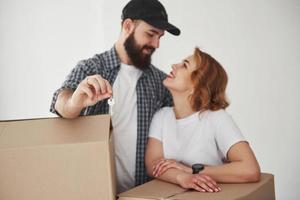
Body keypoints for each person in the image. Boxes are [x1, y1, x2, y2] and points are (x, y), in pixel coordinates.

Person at [50, 0, 181, 193]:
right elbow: (60, 103)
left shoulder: (161, 83)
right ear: (128, 26)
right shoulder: (91, 68)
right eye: (151, 34)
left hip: (144, 193)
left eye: (160, 37)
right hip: (92, 190)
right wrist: (74, 101)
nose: (156, 44)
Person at [145, 47, 261, 193]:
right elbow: (152, 165)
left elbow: (250, 169)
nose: (174, 65)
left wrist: (191, 171)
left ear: (196, 85)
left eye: (184, 65)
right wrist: (182, 177)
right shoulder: (161, 116)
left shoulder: (216, 118)